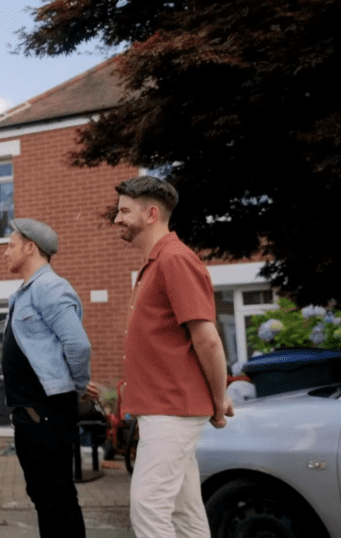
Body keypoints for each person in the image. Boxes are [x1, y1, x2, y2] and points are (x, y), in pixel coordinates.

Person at [113, 176, 234, 538]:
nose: (117, 219)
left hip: (172, 410)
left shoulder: (175, 260)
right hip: (165, 408)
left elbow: (207, 339)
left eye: (123, 211)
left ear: (151, 214)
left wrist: (219, 399)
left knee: (148, 507)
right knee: (185, 511)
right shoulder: (157, 262)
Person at [1, 218, 92, 537]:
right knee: (44, 497)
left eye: (11, 245)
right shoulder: (25, 293)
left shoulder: (49, 287)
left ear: (30, 248)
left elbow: (78, 344)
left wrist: (77, 386)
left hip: (46, 413)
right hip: (32, 416)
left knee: (57, 498)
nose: (5, 253)